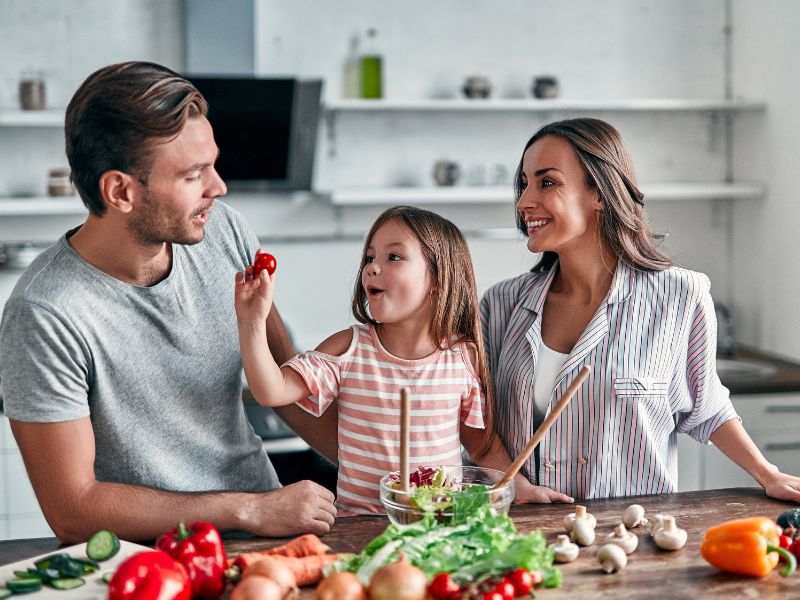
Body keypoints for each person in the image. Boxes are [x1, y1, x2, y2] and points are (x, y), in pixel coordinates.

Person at [0, 61, 337, 543]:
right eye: (193, 174)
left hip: (269, 535)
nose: (218, 188)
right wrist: (247, 509)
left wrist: (382, 470)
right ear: (120, 191)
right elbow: (72, 509)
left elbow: (288, 380)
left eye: (213, 164)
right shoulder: (45, 314)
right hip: (154, 562)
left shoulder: (225, 232)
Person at [481, 117, 800, 502]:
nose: (523, 202)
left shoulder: (681, 295)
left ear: (599, 192)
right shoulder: (500, 305)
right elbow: (477, 422)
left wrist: (766, 474)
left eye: (546, 182)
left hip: (631, 539)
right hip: (523, 537)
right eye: (524, 184)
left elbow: (708, 405)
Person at [234, 206, 570, 515]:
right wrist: (251, 322)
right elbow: (271, 391)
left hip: (438, 526)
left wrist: (518, 485)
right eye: (370, 257)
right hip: (361, 529)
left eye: (393, 256)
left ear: (437, 281)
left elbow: (482, 448)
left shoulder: (462, 358)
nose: (372, 267)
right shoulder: (349, 348)